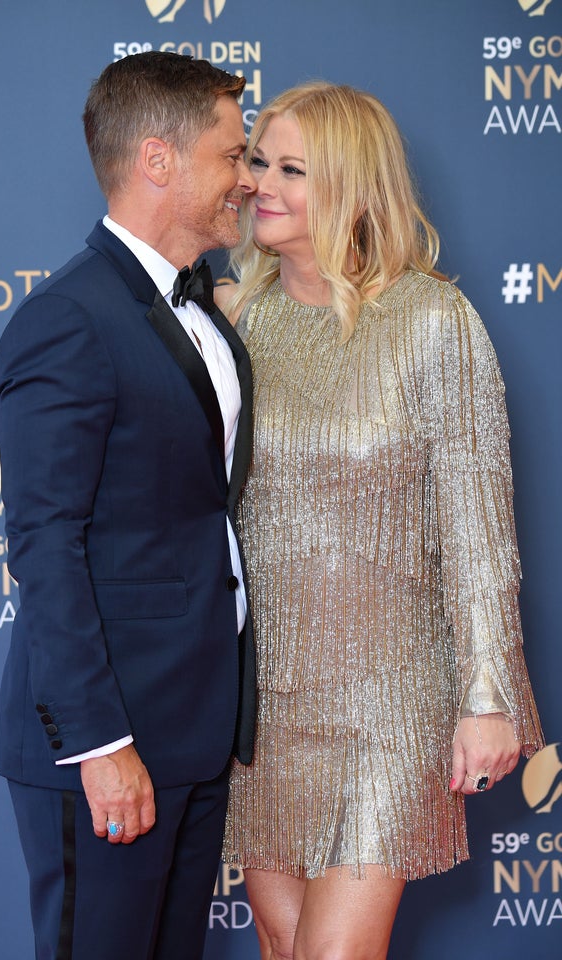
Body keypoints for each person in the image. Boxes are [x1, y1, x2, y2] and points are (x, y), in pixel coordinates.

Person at [215, 81, 544, 960]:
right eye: (257, 161)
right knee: (284, 948)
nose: (261, 185)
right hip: (263, 708)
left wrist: (489, 697)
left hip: (388, 702)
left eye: (294, 168)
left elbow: (479, 531)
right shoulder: (236, 322)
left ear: (357, 187)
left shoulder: (433, 321)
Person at [0, 51, 257, 960]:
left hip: (195, 733)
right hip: (111, 747)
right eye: (233, 155)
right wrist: (102, 745)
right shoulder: (70, 317)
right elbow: (44, 541)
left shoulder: (202, 309)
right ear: (158, 161)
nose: (247, 179)